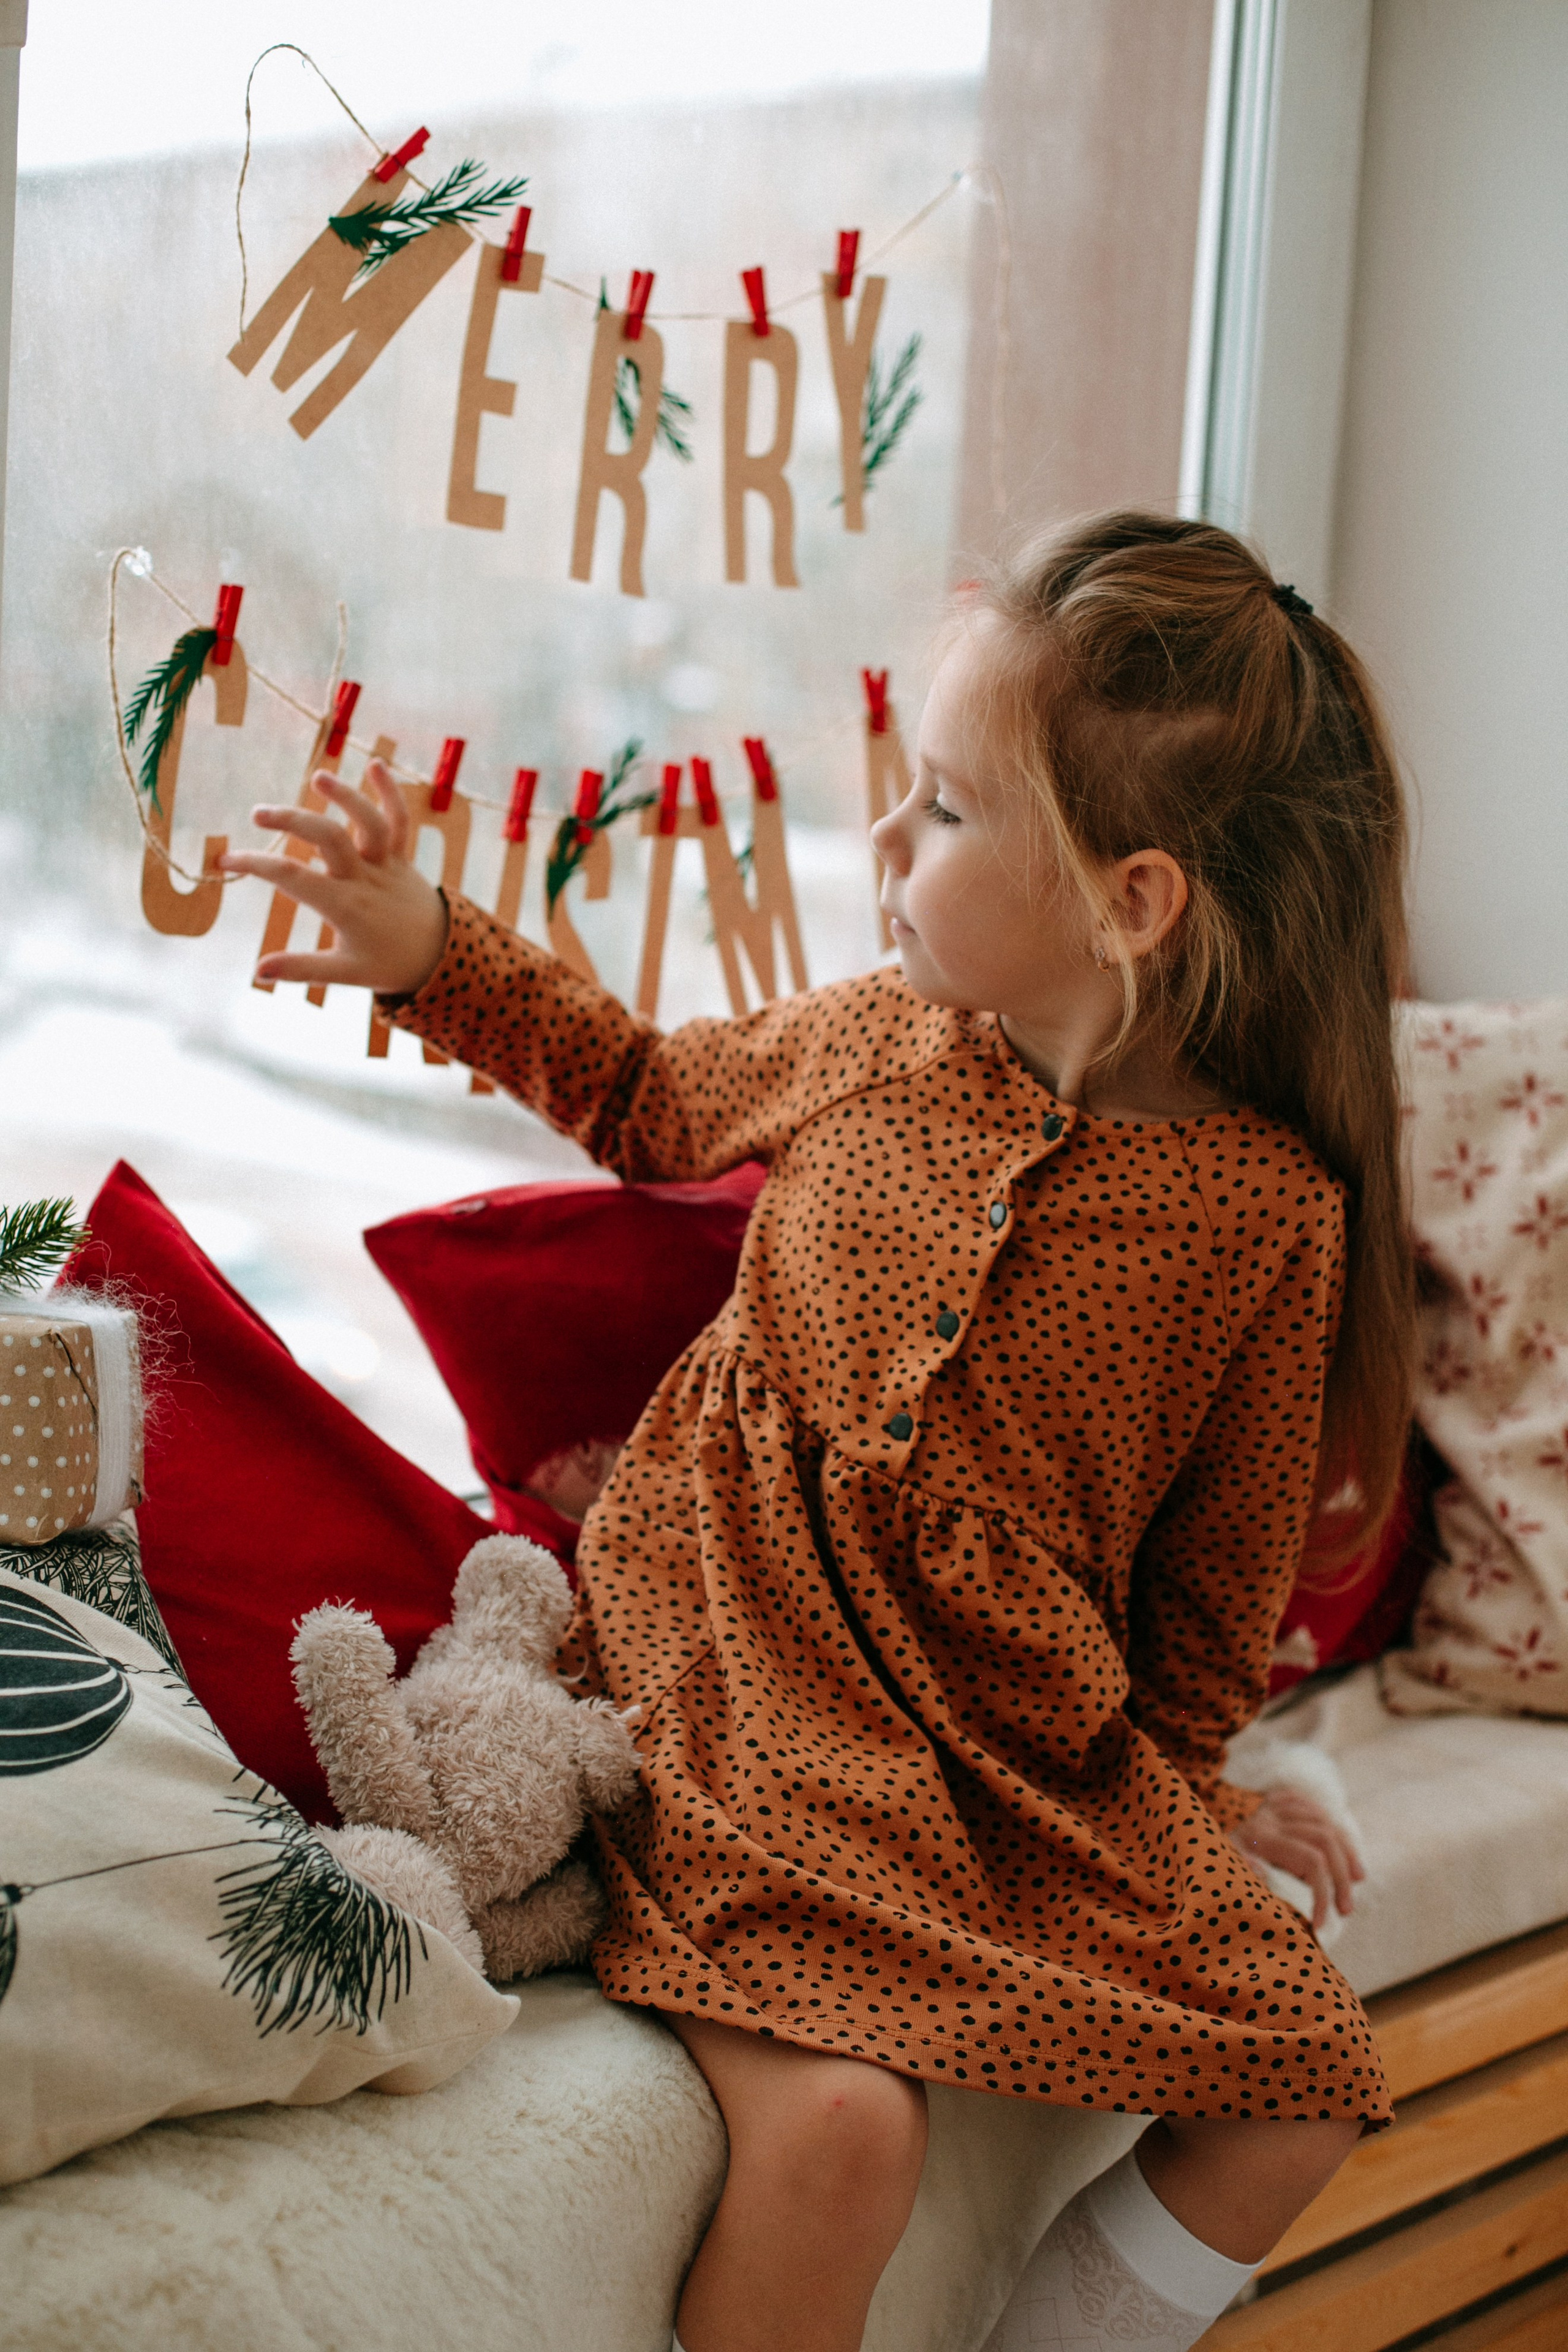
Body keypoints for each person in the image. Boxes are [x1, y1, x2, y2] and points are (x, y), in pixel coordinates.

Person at [221, 511, 1411, 2352]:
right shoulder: (872, 1039)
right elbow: (640, 1091)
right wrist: (428, 946)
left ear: (1135, 900)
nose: (884, 845)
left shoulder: (1269, 1218)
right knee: (843, 2131)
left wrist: (1183, 1804)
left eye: (943, 810)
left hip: (1011, 1747)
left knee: (1315, 2073)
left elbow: (1205, 1602)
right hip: (735, 1662)